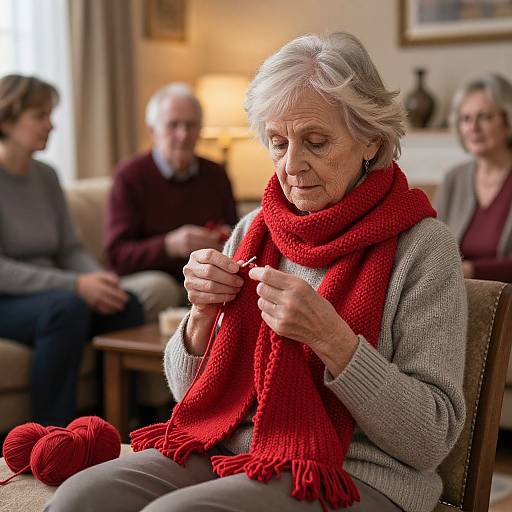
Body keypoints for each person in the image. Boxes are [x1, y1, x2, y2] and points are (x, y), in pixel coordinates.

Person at [47, 33, 467, 512]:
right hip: (232, 447)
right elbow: (192, 395)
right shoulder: (253, 229)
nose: (292, 165)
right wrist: (201, 317)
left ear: (370, 138)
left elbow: (431, 438)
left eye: (316, 141)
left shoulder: (423, 247)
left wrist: (334, 340)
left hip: (355, 473)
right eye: (277, 141)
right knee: (79, 497)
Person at [0, 74, 145, 427]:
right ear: (6, 120)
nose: (51, 125)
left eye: (51, 114)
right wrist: (76, 285)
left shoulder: (46, 176)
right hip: (9, 297)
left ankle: (117, 427)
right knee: (66, 310)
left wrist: (99, 279)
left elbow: (69, 247)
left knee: (126, 304)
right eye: (40, 115)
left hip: (52, 293)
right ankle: (50, 435)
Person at [105, 82, 238, 306]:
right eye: (173, 125)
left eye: (191, 125)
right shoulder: (129, 176)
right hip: (158, 282)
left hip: (209, 277)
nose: (183, 134)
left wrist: (225, 237)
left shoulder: (216, 174)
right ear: (152, 130)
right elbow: (117, 256)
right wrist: (170, 245)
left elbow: (236, 231)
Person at [435, 73, 512, 281]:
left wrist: (471, 271)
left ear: (508, 121)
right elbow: (432, 246)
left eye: (485, 117)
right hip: (458, 298)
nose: (473, 127)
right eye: (465, 119)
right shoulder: (454, 179)